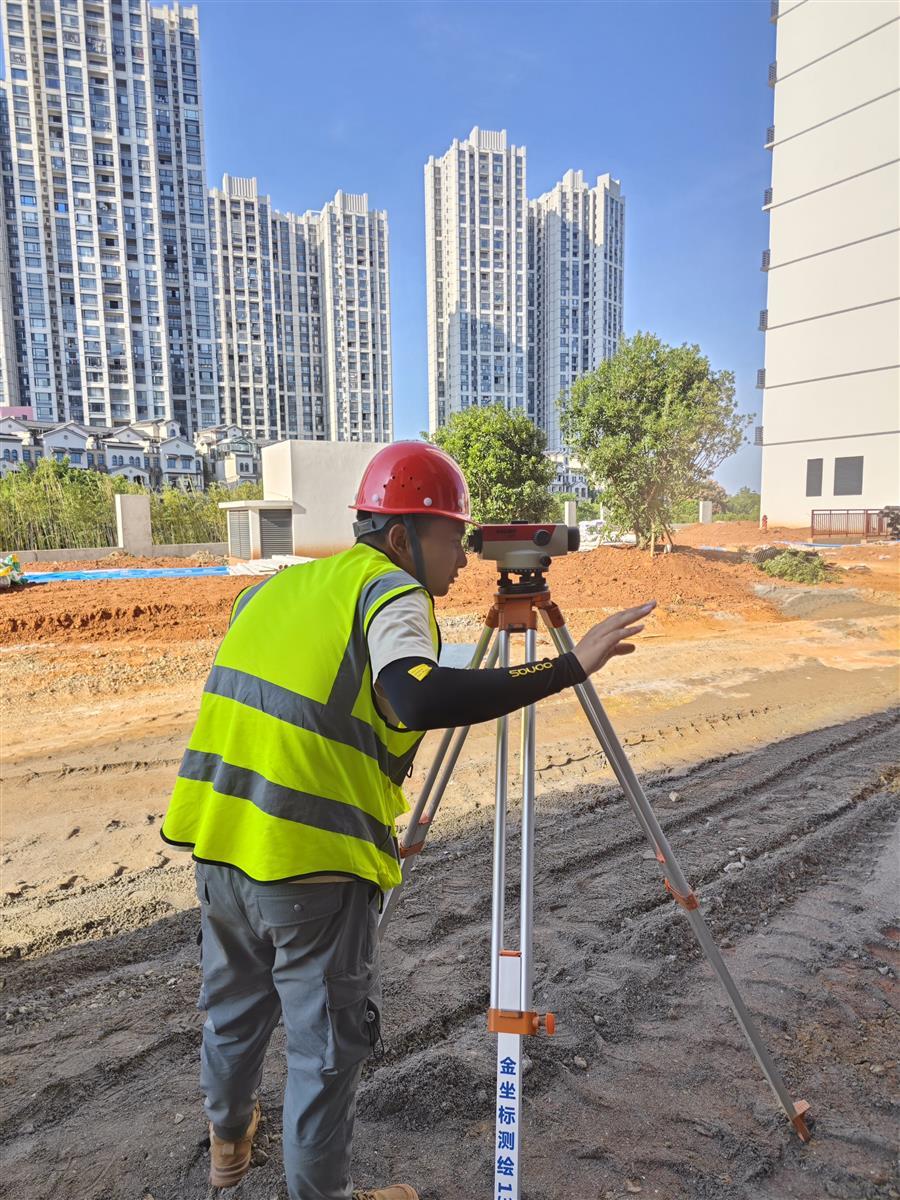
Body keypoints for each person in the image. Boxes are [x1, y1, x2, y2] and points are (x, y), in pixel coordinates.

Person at [160, 441, 655, 1200]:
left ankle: (230, 1147)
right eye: (450, 536)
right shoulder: (393, 594)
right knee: (324, 1051)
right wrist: (568, 666)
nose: (461, 558)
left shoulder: (278, 591)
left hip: (220, 846)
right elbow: (416, 694)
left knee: (232, 1014)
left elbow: (334, 677)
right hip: (309, 864)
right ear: (400, 538)